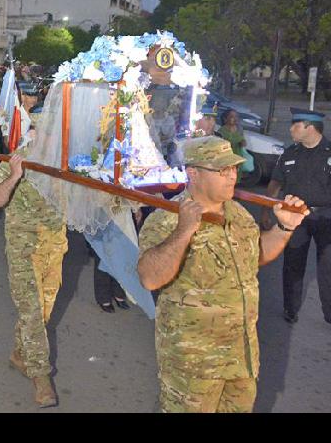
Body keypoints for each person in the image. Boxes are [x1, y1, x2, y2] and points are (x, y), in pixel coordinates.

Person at [137, 136, 309, 413]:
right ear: (193, 173)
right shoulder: (166, 218)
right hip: (194, 366)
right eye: (222, 170)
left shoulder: (239, 214)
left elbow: (257, 256)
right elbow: (150, 278)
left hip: (241, 357)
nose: (232, 176)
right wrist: (185, 230)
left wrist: (284, 228)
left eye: (233, 168)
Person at [0, 149, 63, 406]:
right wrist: (15, 175)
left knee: (43, 311)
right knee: (32, 311)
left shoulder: (65, 160)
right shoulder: (16, 160)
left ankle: (20, 352)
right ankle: (41, 376)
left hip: (54, 248)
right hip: (24, 250)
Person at [263, 107, 331, 325]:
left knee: (328, 267)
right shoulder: (290, 153)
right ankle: (290, 309)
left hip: (326, 218)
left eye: (296, 125)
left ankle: (329, 313)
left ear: (310, 127)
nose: (291, 128)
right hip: (295, 218)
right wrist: (266, 210)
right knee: (292, 265)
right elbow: (275, 183)